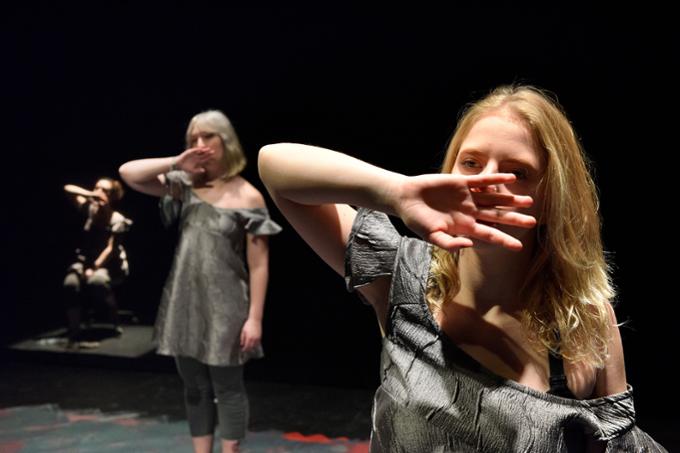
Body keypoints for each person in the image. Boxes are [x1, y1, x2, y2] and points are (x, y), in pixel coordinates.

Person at [258, 85, 666, 452]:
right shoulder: (403, 277)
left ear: (550, 198)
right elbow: (274, 165)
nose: (487, 181)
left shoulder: (583, 320)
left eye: (517, 172)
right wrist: (394, 192)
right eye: (471, 163)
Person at [119, 110, 281, 453]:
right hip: (184, 301)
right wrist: (177, 161)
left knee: (228, 387)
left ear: (226, 141)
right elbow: (128, 173)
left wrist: (255, 317)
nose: (200, 145)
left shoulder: (248, 197)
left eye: (208, 137)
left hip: (227, 306)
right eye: (193, 139)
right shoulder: (185, 184)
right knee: (193, 386)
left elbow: (259, 265)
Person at [63, 177, 131, 349]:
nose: (99, 192)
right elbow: (68, 188)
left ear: (113, 196)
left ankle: (114, 320)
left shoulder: (117, 219)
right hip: (84, 260)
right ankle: (74, 332)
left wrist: (93, 268)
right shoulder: (89, 208)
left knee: (97, 282)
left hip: (109, 263)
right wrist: (91, 193)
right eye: (97, 187)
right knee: (70, 284)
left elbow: (111, 249)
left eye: (105, 190)